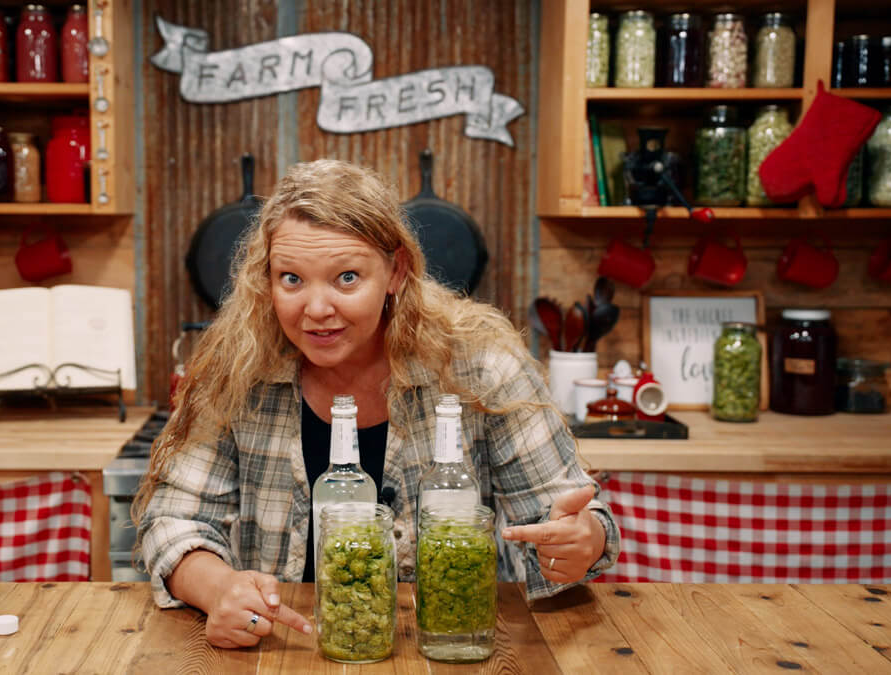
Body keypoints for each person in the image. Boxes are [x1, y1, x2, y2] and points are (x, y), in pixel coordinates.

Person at [134, 159, 620, 649]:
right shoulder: (238, 369)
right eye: (291, 279)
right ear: (266, 278)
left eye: (347, 278)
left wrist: (581, 540)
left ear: (395, 271)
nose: (317, 309)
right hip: (288, 648)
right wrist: (220, 588)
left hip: (451, 644)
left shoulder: (481, 365)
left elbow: (571, 516)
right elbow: (174, 522)